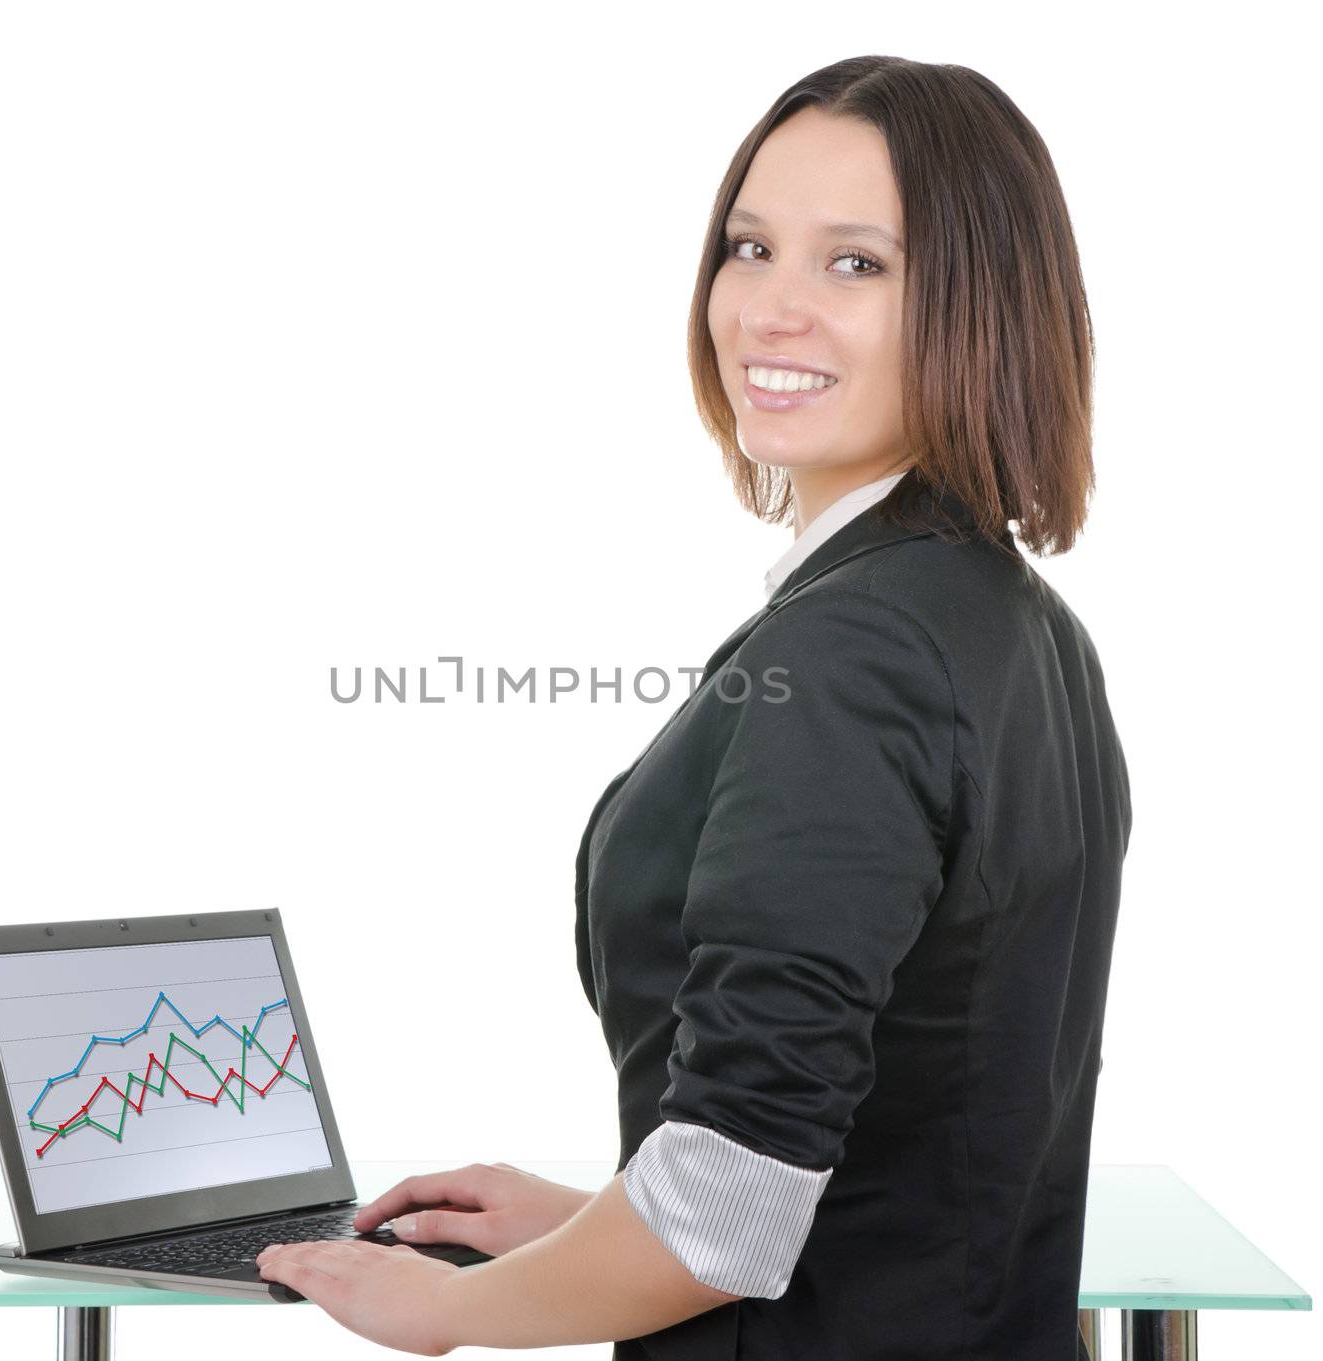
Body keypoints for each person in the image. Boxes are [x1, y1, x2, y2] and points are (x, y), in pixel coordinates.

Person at [257, 55, 1131, 1361]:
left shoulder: (859, 651)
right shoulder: (1013, 623)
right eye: (749, 246)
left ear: (978, 304)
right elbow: (916, 1152)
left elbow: (727, 1211)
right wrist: (584, 1229)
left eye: (856, 264)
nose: (770, 309)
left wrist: (447, 1308)